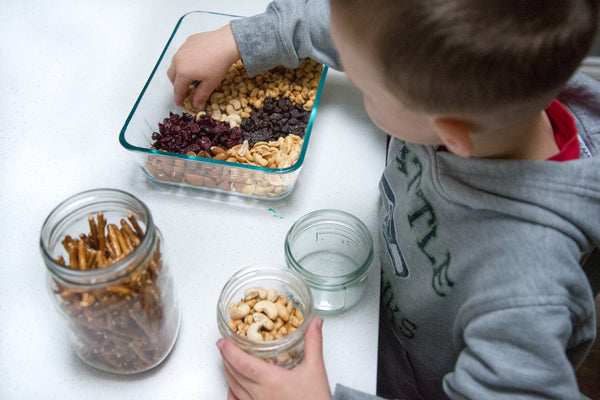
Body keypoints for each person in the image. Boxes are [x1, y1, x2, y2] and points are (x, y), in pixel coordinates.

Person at [168, 0, 600, 398]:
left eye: (364, 87)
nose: (351, 73)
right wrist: (244, 37)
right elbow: (362, 29)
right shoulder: (478, 93)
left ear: (449, 133)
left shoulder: (524, 292)